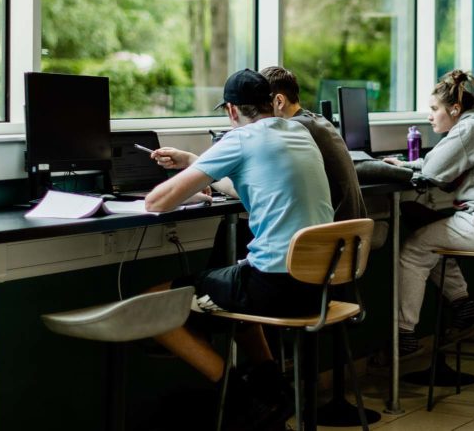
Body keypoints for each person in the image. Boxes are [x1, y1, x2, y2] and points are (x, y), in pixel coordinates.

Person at [142, 69, 334, 427]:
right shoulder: (298, 131)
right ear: (270, 101)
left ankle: (241, 399)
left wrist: (186, 177)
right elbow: (253, 176)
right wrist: (193, 162)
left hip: (275, 286)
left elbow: (158, 202)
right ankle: (271, 386)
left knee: (155, 303)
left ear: (231, 111)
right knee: (235, 286)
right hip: (317, 285)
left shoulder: (240, 139)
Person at [382, 70, 474, 356]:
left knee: (413, 250)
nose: (430, 116)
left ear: (455, 109)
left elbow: (435, 170)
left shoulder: (468, 129)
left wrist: (402, 165)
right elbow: (440, 167)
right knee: (426, 236)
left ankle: (404, 335)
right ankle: (463, 306)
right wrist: (412, 165)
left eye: (435, 109)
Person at [259, 65, 366, 221]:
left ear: (279, 101)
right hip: (351, 231)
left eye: (261, 106)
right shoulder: (316, 120)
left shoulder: (295, 128)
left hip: (332, 234)